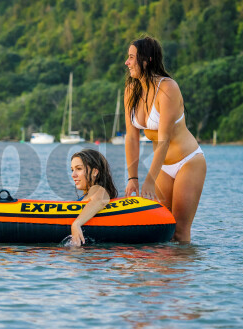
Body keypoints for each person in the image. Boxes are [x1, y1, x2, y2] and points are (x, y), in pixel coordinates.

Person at [123, 36, 206, 242]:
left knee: (179, 231)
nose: (127, 62)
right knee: (160, 228)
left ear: (146, 60)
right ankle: (162, 275)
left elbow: (164, 140)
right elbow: (132, 138)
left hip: (188, 161)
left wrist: (149, 180)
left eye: (132, 57)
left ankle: (182, 273)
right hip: (163, 167)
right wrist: (133, 178)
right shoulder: (131, 90)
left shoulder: (168, 88)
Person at [69, 149, 118, 246]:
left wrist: (76, 224)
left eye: (79, 169)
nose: (73, 175)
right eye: (72, 170)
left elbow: (101, 199)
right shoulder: (87, 194)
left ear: (95, 172)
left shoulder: (96, 189)